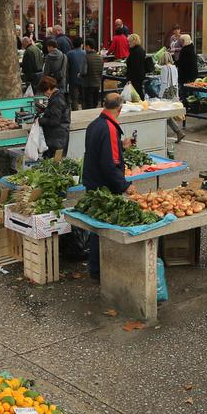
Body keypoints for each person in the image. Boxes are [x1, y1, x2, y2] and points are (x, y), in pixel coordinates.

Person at [81, 92, 131, 278]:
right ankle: (100, 270)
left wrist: (120, 146)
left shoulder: (94, 124)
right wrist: (124, 185)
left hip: (92, 181)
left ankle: (96, 268)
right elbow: (110, 165)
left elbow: (99, 151)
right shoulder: (110, 128)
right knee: (105, 227)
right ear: (120, 109)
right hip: (103, 186)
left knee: (97, 226)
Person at [81, 38, 104, 111]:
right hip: (97, 84)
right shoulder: (100, 57)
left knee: (88, 104)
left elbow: (83, 72)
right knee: (95, 103)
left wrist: (79, 75)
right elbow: (101, 71)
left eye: (85, 46)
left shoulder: (86, 57)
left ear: (88, 46)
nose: (84, 48)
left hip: (88, 84)